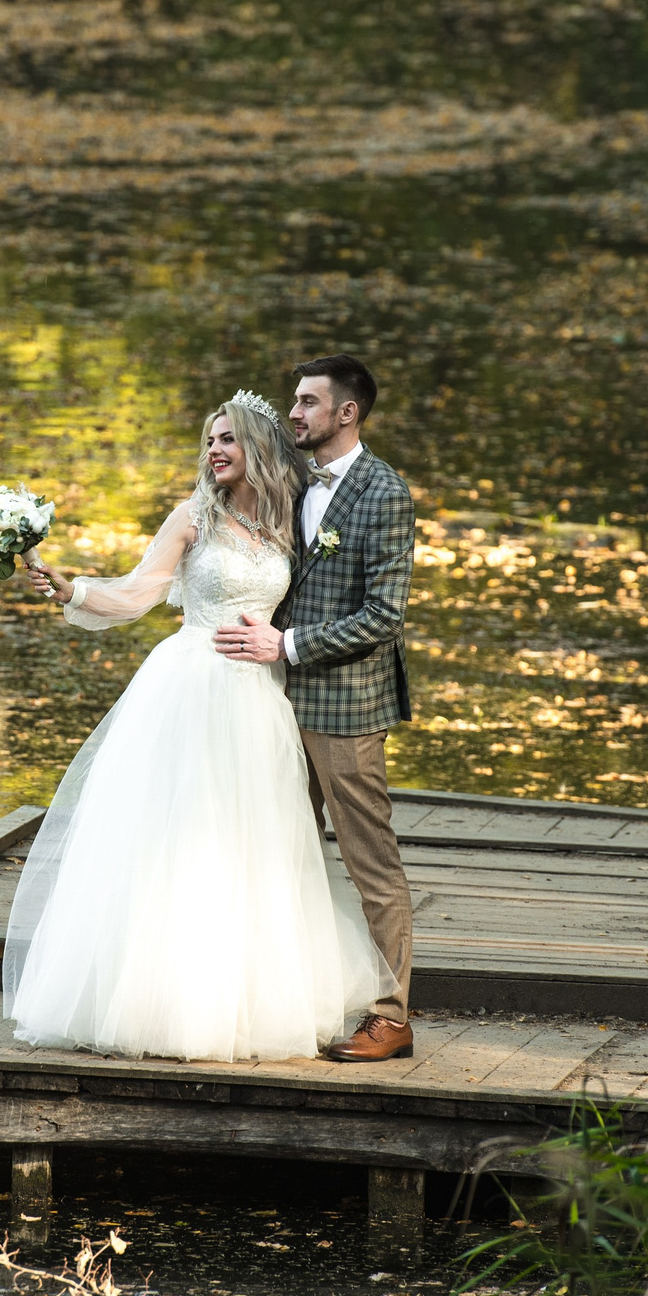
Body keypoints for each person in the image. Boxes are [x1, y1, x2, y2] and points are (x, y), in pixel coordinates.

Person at [6, 392, 394, 1062]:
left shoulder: (289, 520)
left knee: (252, 843)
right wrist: (73, 589)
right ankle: (163, 1005)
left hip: (260, 699)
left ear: (257, 448)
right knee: (177, 838)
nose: (214, 450)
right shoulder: (193, 517)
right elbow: (138, 591)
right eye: (210, 440)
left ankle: (246, 1003)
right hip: (189, 689)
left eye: (227, 439)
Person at [213, 355, 416, 1062]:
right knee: (273, 851)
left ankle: (390, 1017)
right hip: (270, 704)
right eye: (294, 401)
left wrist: (289, 643)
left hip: (345, 709)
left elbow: (383, 615)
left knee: (370, 864)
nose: (292, 413)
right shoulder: (293, 481)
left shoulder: (384, 492)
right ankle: (272, 1002)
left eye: (306, 402)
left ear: (346, 413)